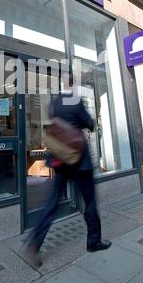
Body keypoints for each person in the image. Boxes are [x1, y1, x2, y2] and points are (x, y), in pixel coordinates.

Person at [25, 83, 111, 267]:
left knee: (52, 202)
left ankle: (34, 242)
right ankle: (94, 241)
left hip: (60, 158)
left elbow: (55, 124)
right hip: (80, 161)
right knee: (90, 202)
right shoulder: (76, 101)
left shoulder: (54, 103)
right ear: (72, 85)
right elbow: (90, 124)